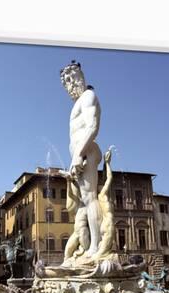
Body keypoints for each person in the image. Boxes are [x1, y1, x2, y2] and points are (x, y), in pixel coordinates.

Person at [60, 60, 103, 259]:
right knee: (82, 204)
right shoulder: (77, 103)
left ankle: (95, 247)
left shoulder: (88, 96)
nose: (69, 84)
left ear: (80, 76)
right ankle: (87, 247)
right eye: (65, 82)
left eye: (71, 78)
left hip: (86, 152)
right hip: (79, 155)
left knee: (90, 197)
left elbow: (92, 126)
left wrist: (78, 154)